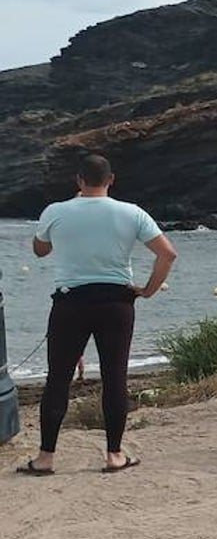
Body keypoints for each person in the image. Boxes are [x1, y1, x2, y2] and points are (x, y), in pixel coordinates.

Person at [17, 154, 177, 476]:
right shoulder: (132, 213)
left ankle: (46, 458)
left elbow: (40, 249)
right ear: (111, 179)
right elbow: (167, 253)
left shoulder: (56, 211)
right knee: (114, 378)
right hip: (116, 302)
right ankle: (114, 455)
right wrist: (148, 290)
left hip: (70, 303)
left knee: (57, 380)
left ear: (79, 180)